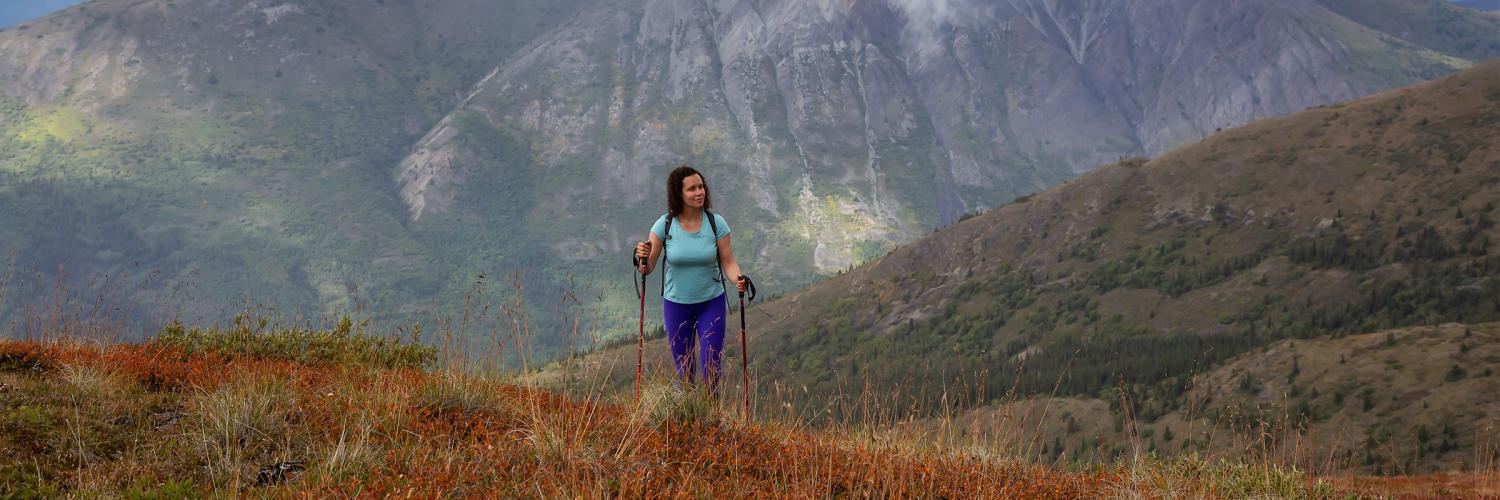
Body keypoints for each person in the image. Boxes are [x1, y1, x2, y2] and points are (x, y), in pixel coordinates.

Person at [635, 165, 750, 395]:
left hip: (711, 302)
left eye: (701, 187)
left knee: (712, 367)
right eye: (692, 189)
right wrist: (641, 257)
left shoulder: (716, 223)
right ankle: (686, 420)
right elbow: (647, 269)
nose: (700, 192)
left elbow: (728, 261)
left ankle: (711, 421)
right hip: (676, 305)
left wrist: (738, 278)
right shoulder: (663, 226)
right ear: (679, 194)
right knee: (684, 370)